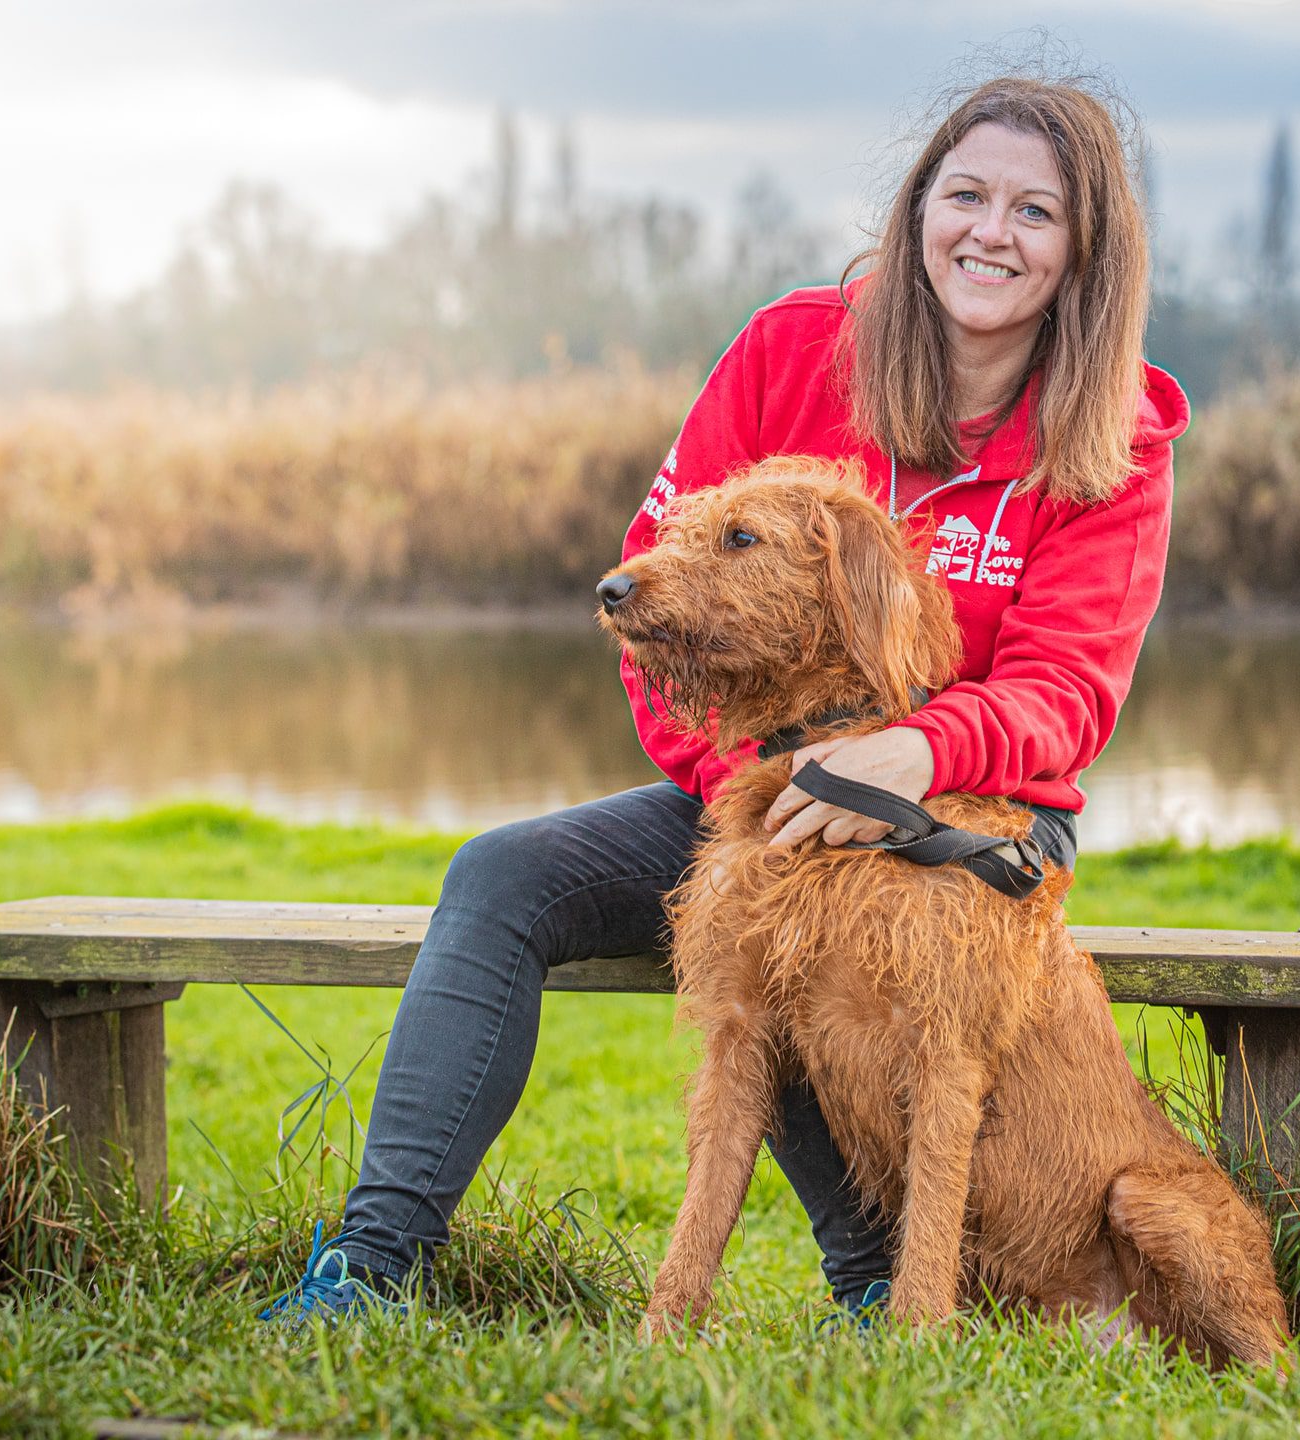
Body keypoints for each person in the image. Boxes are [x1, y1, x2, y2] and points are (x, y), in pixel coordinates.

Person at [261, 71, 1188, 1323]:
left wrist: (906, 762)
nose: (991, 232)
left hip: (974, 814)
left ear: (1085, 250)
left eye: (1036, 212)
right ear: (920, 210)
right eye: (965, 195)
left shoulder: (1112, 443)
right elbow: (655, 601)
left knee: (833, 924)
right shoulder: (791, 352)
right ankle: (370, 1270)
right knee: (502, 874)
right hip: (747, 791)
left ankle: (875, 1286)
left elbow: (1065, 692)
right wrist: (750, 793)